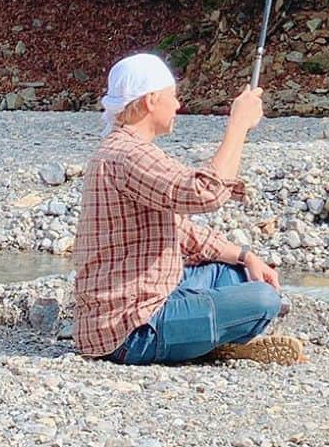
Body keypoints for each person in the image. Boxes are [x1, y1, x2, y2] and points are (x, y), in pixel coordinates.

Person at [73, 53, 303, 365]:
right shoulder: (127, 155)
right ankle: (207, 340)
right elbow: (204, 194)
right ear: (151, 100)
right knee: (264, 300)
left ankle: (202, 337)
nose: (178, 105)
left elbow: (182, 231)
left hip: (149, 295)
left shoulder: (126, 150)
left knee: (236, 274)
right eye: (173, 96)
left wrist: (246, 256)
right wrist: (238, 126)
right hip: (130, 330)